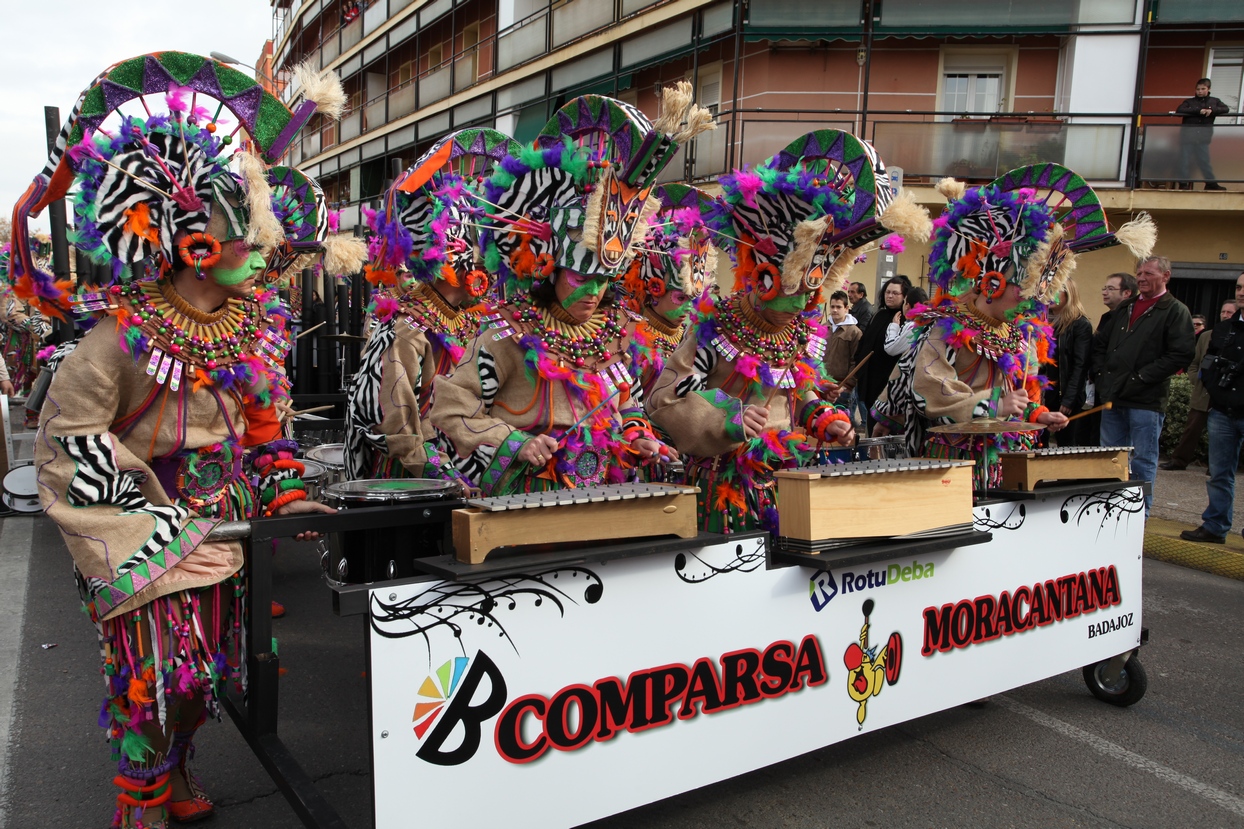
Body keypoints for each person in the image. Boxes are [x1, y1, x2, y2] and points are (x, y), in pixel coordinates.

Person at [12, 52, 342, 829]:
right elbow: (66, 446)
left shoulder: (249, 326)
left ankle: (179, 768)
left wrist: (282, 483)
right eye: (251, 234)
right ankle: (140, 803)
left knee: (202, 677)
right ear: (195, 244)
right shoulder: (114, 343)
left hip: (219, 525)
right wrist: (151, 514)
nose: (268, 250)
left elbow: (263, 423)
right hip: (145, 531)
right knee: (150, 675)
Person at [431, 85, 713, 494]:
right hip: (528, 497)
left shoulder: (618, 334)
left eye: (603, 281)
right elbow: (453, 405)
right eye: (582, 279)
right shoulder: (506, 334)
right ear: (550, 271)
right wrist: (516, 442)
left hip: (606, 496)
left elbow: (628, 403)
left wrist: (638, 437)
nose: (594, 293)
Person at [649, 127, 931, 533]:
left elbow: (800, 398)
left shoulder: (799, 334)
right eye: (793, 293)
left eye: (810, 296)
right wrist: (725, 419)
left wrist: (825, 419)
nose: (801, 307)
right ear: (761, 276)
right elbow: (665, 397)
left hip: (785, 480)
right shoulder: (718, 326)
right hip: (720, 484)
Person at [872, 171, 1155, 491]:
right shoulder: (947, 326)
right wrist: (993, 404)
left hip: (1012, 461)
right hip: (956, 467)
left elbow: (1020, 397)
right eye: (1024, 292)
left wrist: (1038, 414)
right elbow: (929, 390)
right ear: (993, 283)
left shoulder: (1023, 334)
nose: (1032, 305)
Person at [345, 128, 521, 481]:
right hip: (419, 481)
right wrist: (436, 469)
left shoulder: (483, 321)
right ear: (454, 260)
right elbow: (389, 417)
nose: (493, 263)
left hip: (476, 472)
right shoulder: (406, 328)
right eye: (483, 251)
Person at [1094, 255, 1197, 514]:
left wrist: (1140, 378)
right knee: (1110, 459)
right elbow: (1101, 343)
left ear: (1166, 276)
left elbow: (1180, 354)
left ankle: (1141, 515)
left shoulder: (1175, 311)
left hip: (1146, 402)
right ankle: (1111, 510)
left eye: (1149, 273)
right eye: (1139, 273)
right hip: (1113, 398)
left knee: (1142, 461)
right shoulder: (1126, 307)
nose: (1141, 278)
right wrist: (1100, 374)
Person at [1180, 272, 1244, 542]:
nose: (1241, 292)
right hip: (1221, 412)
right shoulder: (1224, 328)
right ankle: (1215, 527)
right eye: (1239, 287)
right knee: (1219, 474)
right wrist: (1216, 393)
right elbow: (1208, 364)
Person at [1163, 298, 1237, 470]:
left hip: (1227, 394)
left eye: (1229, 313)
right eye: (1223, 312)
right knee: (1192, 428)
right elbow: (1194, 363)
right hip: (1203, 390)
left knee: (1223, 434)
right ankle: (1179, 460)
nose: (1225, 316)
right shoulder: (1207, 336)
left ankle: (1216, 466)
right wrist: (1198, 380)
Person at [853, 274, 910, 431]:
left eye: (895, 293)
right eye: (887, 292)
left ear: (905, 297)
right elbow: (865, 342)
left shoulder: (905, 319)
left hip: (889, 384)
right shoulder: (879, 314)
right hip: (869, 379)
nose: (889, 296)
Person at [1044, 278, 1093, 446]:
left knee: (1066, 444)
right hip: (1044, 394)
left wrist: (1069, 399)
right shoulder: (1043, 322)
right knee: (1039, 443)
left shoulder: (1079, 324)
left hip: (1064, 395)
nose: (1049, 294)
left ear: (1068, 294)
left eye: (1056, 290)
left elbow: (1080, 365)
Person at [1176, 78, 1230, 191]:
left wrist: (1211, 110)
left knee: (1204, 161)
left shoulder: (1214, 101)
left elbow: (1226, 109)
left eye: (1203, 89)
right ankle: (1183, 183)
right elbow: (1179, 110)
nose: (1200, 91)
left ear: (1209, 89)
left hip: (1203, 137)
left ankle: (1210, 183)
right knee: (1184, 160)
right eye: (1198, 89)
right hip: (1188, 136)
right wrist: (1199, 110)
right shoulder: (1189, 102)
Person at [824, 289, 862, 418]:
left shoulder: (854, 332)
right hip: (822, 385)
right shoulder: (824, 328)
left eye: (838, 307)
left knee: (841, 425)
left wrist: (847, 386)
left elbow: (856, 362)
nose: (834, 310)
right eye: (832, 306)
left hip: (842, 388)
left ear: (846, 308)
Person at [883, 286, 929, 358]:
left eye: (904, 302)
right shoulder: (927, 321)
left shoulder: (914, 326)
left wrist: (894, 326)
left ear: (907, 306)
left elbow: (890, 348)